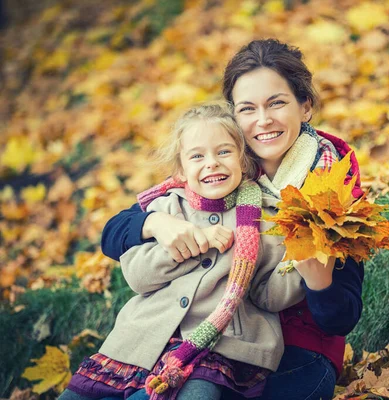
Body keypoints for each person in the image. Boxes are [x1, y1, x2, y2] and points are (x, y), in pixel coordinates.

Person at [101, 39, 365, 400]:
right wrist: (155, 225)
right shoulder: (222, 166)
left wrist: (319, 284)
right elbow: (114, 233)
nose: (263, 120)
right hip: (211, 341)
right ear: (234, 116)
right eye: (247, 109)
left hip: (297, 351)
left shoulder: (332, 182)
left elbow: (341, 318)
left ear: (305, 106)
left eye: (277, 103)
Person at [60, 102, 305, 400]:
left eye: (224, 152)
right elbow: (138, 276)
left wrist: (302, 259)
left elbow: (269, 295)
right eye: (198, 156)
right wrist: (193, 243)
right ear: (181, 168)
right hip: (141, 341)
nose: (212, 163)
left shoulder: (265, 217)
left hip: (220, 346)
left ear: (243, 160)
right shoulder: (165, 208)